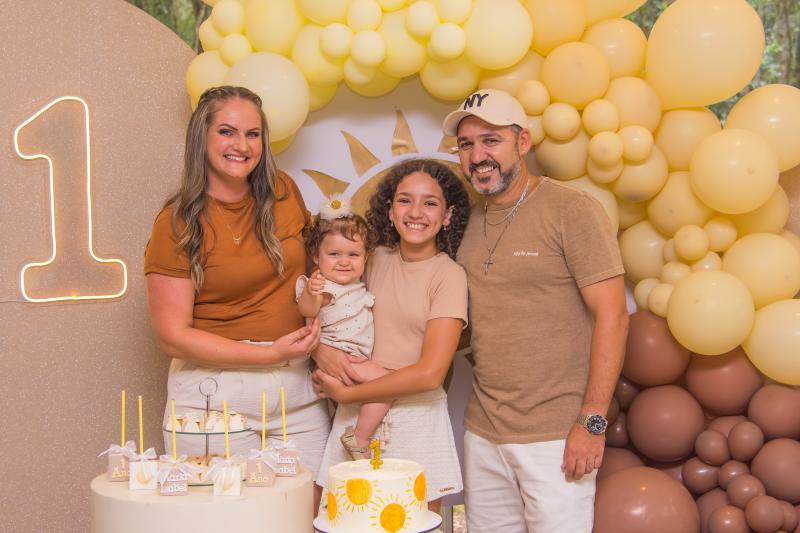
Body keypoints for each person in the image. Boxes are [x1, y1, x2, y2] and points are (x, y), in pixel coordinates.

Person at [442, 89, 629, 532]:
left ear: (522, 142)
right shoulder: (465, 221)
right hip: (484, 431)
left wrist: (592, 422)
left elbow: (614, 316)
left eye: (491, 140)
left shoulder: (571, 209)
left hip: (558, 435)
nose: (477, 155)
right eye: (466, 144)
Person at [143, 86, 330, 505]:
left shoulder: (283, 191)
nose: (242, 146)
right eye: (227, 132)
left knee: (310, 516)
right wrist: (267, 354)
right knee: (230, 520)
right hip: (213, 400)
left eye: (253, 134)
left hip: (296, 393)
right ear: (202, 138)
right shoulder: (176, 223)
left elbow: (314, 271)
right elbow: (171, 336)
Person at [311, 158, 471, 511]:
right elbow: (328, 307)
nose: (416, 212)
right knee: (345, 519)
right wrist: (322, 351)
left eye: (430, 203)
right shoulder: (371, 259)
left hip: (416, 417)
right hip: (356, 410)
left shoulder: (449, 276)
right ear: (389, 211)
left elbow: (430, 374)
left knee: (412, 520)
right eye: (404, 200)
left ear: (447, 216)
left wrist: (348, 389)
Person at [296, 198, 390, 460]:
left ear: (366, 256)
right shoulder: (322, 286)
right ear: (316, 256)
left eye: (353, 255)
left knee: (352, 406)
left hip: (353, 359)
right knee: (390, 385)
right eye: (334, 254)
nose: (344, 262)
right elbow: (307, 310)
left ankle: (353, 437)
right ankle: (359, 439)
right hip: (340, 358)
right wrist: (312, 293)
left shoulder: (358, 285)